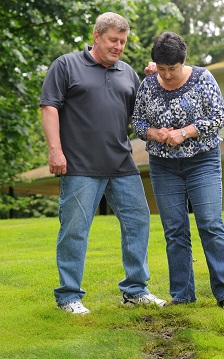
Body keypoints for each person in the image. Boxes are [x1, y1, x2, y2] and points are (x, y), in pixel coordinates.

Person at [40, 12, 166, 314]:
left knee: (138, 222)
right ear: (97, 36)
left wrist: (156, 78)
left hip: (122, 163)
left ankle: (135, 290)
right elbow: (49, 107)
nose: (119, 46)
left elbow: (142, 114)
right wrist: (55, 150)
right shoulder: (66, 65)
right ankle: (69, 296)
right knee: (74, 230)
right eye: (113, 40)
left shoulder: (127, 73)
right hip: (80, 165)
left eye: (122, 41)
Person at [132, 32, 224, 308]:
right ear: (155, 63)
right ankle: (182, 295)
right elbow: (138, 122)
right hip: (163, 165)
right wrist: (154, 133)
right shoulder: (148, 85)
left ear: (183, 61)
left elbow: (218, 116)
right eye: (162, 68)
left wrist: (183, 132)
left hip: (202, 160)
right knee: (175, 230)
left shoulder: (203, 79)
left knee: (210, 224)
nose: (167, 75)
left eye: (173, 68)